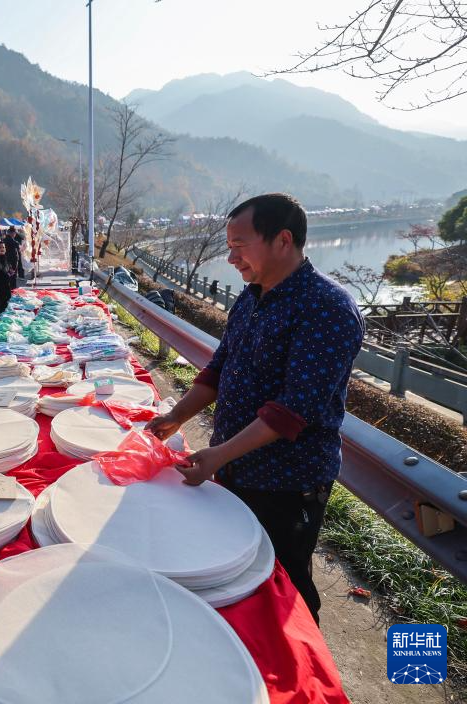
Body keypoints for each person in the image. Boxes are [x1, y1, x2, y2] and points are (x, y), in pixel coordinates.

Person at [147, 193, 364, 624]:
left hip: (286, 482)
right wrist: (176, 418)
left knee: (285, 585)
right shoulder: (252, 297)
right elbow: (219, 367)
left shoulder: (327, 308)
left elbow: (290, 410)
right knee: (234, 572)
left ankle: (308, 678)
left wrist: (217, 455)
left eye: (239, 245)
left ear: (283, 240)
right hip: (234, 468)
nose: (230, 258)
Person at [0, 241, 15, 316]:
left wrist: (11, 270)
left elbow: (10, 268)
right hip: (0, 282)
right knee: (1, 300)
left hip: (7, 282)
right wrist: (9, 271)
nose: (2, 249)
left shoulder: (5, 257)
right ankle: (0, 315)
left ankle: (7, 314)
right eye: (0, 247)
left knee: (8, 298)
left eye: (3, 247)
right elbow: (4, 269)